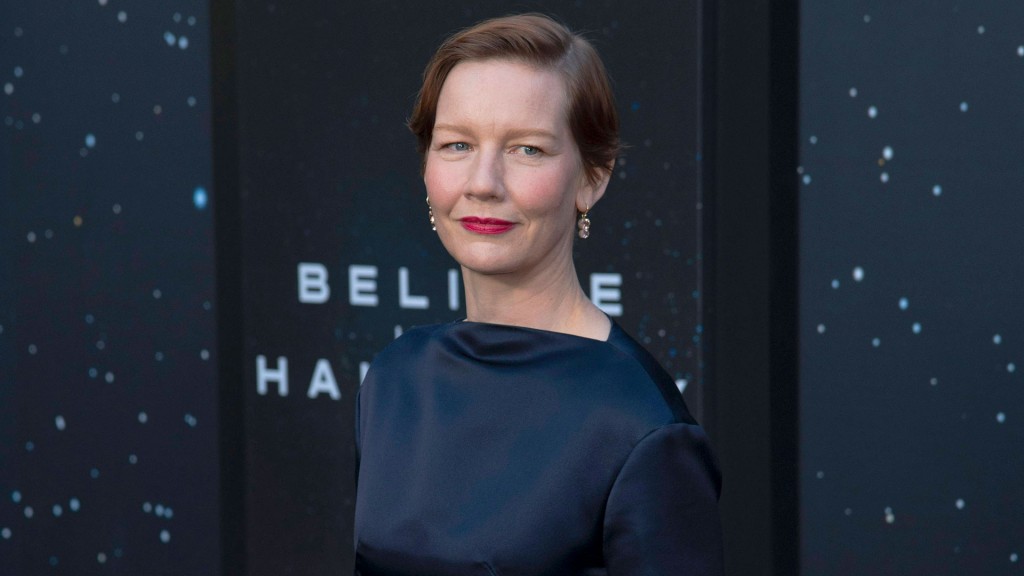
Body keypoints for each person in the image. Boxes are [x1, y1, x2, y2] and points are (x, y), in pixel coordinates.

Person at [353, 13, 723, 575]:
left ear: (592, 178)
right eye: (457, 144)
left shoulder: (640, 428)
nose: (483, 182)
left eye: (527, 149)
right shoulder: (394, 379)